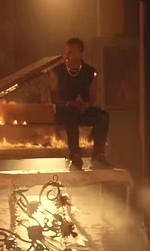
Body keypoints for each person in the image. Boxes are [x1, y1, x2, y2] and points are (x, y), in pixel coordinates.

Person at [48, 38, 113, 170]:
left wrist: (86, 106)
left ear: (80, 54)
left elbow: (92, 96)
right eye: (66, 52)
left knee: (103, 116)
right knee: (71, 114)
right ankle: (75, 156)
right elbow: (54, 97)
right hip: (64, 111)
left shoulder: (90, 72)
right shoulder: (57, 71)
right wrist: (68, 103)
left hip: (81, 110)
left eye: (71, 53)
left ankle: (98, 155)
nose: (67, 56)